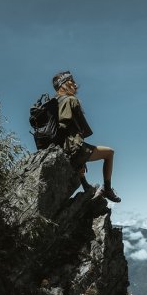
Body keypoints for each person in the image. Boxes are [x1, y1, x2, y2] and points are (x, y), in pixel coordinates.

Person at [52, 70, 121, 203]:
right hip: (71, 146)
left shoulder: (55, 102)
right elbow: (65, 125)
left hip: (59, 146)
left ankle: (86, 186)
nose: (75, 83)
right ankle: (107, 188)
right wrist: (75, 149)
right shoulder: (70, 100)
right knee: (109, 153)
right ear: (65, 84)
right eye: (71, 81)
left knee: (81, 159)